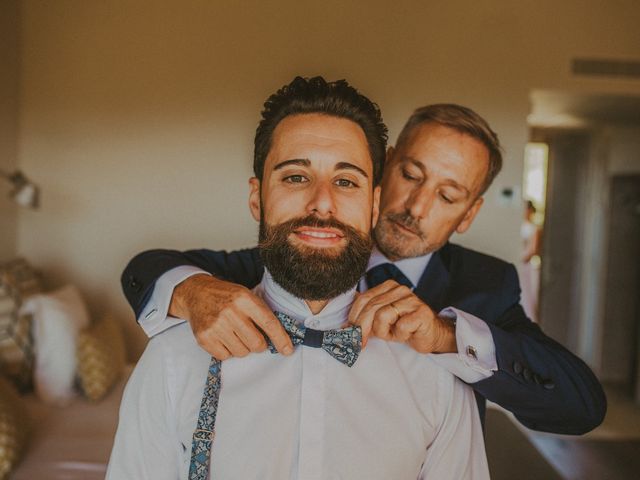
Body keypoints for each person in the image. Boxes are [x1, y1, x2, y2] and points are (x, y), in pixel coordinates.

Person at [121, 99, 606, 436]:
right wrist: (194, 293)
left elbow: (581, 407)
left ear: (470, 213)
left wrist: (443, 336)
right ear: (382, 168)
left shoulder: (487, 284)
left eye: (447, 195)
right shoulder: (298, 250)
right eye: (410, 175)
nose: (415, 205)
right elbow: (147, 269)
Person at [107, 76, 489, 480]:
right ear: (257, 198)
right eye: (295, 177)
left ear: (374, 205)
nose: (322, 203)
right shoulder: (173, 360)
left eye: (345, 182)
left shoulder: (438, 375)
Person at [518, 200, 542, 322]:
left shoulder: (534, 228)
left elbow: (533, 250)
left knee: (527, 296)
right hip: (520, 264)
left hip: (526, 266)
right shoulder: (518, 226)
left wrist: (519, 258)